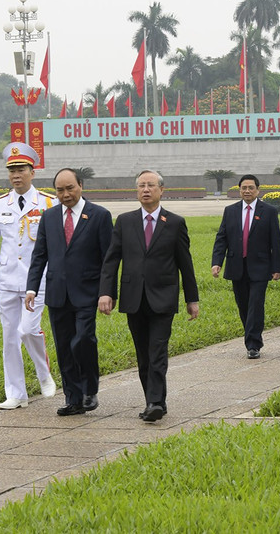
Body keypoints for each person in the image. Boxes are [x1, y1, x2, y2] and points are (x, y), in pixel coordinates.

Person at [99, 170, 199, 423]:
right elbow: (112, 260)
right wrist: (106, 293)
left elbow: (184, 263)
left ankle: (155, 402)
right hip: (134, 298)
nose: (146, 189)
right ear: (137, 191)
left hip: (163, 297)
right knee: (143, 354)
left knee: (157, 351)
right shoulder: (124, 221)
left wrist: (192, 299)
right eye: (141, 186)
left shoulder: (174, 222)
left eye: (151, 185)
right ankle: (155, 402)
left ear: (161, 190)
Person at [0, 143, 57, 410]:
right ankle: (16, 393)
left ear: (32, 172)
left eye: (21, 169)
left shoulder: (48, 202)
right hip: (7, 279)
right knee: (10, 337)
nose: (16, 175)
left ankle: (43, 373)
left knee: (28, 329)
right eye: (12, 170)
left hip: (39, 278)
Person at [26, 168, 112, 416]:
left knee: (83, 340)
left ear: (81, 186)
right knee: (64, 346)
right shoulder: (49, 217)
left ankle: (89, 390)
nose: (65, 194)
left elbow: (109, 258)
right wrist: (32, 287)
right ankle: (73, 398)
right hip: (57, 293)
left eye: (70, 188)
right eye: (60, 190)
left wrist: (107, 292)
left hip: (87, 292)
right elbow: (39, 255)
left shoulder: (99, 216)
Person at [211, 174, 280, 359]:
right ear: (239, 189)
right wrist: (217, 262)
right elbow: (222, 238)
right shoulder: (230, 211)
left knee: (256, 304)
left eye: (251, 188)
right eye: (244, 188)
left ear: (258, 190)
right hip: (236, 266)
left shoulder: (268, 211)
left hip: (260, 267)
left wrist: (277, 267)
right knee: (243, 305)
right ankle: (250, 335)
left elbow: (276, 241)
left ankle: (253, 344)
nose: (247, 191)